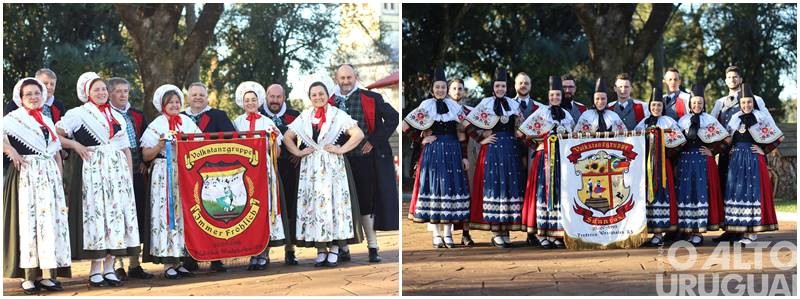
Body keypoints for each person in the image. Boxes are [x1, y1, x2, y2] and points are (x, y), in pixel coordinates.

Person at [55, 72, 139, 287]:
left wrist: (128, 177)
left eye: (103, 89)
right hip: (93, 171)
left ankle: (110, 267)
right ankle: (95, 270)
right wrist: (74, 144)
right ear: (87, 92)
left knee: (115, 217)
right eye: (96, 89)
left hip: (117, 173)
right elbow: (56, 135)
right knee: (96, 216)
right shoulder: (78, 114)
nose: (101, 93)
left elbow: (125, 149)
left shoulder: (118, 116)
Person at [284, 81, 365, 267]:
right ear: (310, 97)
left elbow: (358, 134)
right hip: (311, 168)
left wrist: (341, 149)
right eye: (314, 94)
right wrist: (298, 152)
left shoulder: (338, 115)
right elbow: (287, 137)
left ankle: (335, 247)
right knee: (314, 205)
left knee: (334, 203)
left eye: (321, 93)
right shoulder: (304, 116)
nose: (318, 97)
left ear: (328, 95)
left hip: (332, 167)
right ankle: (321, 248)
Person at [3, 78, 71, 294]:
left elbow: (56, 151)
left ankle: (46, 275)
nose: (33, 97)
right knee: (28, 223)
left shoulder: (46, 120)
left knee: (48, 224)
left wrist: (58, 178)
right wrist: (10, 151)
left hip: (49, 176)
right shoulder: (13, 119)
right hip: (26, 175)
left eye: (37, 93)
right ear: (20, 98)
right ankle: (27, 276)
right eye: (28, 94)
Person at [329, 64, 399, 262]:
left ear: (355, 77)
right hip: (339, 161)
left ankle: (373, 247)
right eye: (342, 78)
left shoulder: (371, 97)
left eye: (349, 77)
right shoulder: (330, 102)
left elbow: (393, 117)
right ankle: (343, 247)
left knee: (367, 202)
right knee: (341, 204)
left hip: (365, 159)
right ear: (336, 79)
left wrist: (374, 141)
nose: (346, 81)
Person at [404, 67, 470, 248]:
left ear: (447, 89)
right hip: (432, 152)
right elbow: (405, 126)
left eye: (443, 87)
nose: (440, 90)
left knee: (448, 189)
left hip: (452, 151)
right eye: (437, 87)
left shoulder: (455, 107)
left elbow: (465, 130)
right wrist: (421, 138)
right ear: (432, 89)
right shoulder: (425, 106)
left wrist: (465, 155)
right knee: (434, 189)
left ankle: (448, 234)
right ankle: (436, 234)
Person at [140, 84, 201, 279]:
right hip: (163, 172)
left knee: (183, 213)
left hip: (184, 172)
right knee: (165, 214)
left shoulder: (187, 121)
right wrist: (160, 144)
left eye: (177, 102)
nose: (174, 105)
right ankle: (168, 262)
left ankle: (180, 259)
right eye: (170, 102)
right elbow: (146, 155)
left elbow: (200, 142)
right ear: (162, 105)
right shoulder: (156, 125)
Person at [709, 66, 774, 243]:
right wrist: (713, 149)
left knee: (750, 190)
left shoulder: (756, 100)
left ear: (740, 78)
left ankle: (749, 229)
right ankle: (731, 228)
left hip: (751, 152)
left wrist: (763, 149)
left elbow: (769, 126)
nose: (733, 80)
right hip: (729, 153)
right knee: (730, 190)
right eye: (729, 77)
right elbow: (713, 126)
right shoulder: (720, 102)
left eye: (735, 76)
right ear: (726, 80)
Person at [463, 68, 524, 248]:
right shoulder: (485, 103)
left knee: (509, 187)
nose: (500, 89)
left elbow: (520, 128)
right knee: (495, 186)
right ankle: (495, 231)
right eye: (497, 86)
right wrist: (481, 139)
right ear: (493, 87)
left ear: (507, 87)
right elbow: (466, 124)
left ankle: (505, 231)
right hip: (492, 150)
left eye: (503, 86)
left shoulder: (514, 105)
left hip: (510, 151)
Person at [233, 81, 288, 269]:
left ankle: (264, 252)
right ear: (242, 101)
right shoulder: (237, 122)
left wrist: (272, 141)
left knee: (264, 207)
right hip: (244, 171)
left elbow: (278, 153)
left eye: (253, 99)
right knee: (248, 209)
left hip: (264, 170)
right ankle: (252, 252)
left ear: (259, 101)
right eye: (247, 100)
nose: (250, 103)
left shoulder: (268, 122)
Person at [180, 82, 232, 272]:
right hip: (188, 173)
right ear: (188, 97)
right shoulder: (180, 117)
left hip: (213, 172)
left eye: (201, 94)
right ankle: (190, 256)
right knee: (191, 213)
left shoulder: (218, 115)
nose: (197, 98)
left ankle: (216, 256)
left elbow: (230, 139)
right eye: (194, 95)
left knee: (213, 212)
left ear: (207, 96)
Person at [722, 83, 782, 245]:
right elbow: (728, 139)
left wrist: (764, 150)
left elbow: (778, 136)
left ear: (753, 103)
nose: (746, 105)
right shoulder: (735, 119)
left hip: (754, 159)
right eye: (743, 102)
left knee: (752, 192)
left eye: (749, 102)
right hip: (736, 161)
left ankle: (752, 233)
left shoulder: (761, 117)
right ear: (740, 104)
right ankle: (742, 231)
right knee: (739, 193)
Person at [519, 75, 574, 249]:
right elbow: (523, 134)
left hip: (561, 159)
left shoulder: (567, 115)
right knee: (543, 193)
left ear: (561, 96)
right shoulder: (541, 112)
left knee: (559, 193)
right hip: (543, 158)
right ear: (548, 96)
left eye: (558, 95)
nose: (555, 98)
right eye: (552, 95)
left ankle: (555, 233)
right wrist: (538, 144)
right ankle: (542, 233)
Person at [107, 77, 154, 280]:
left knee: (137, 216)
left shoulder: (136, 114)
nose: (123, 94)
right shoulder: (104, 114)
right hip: (115, 174)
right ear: (110, 93)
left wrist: (144, 162)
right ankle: (117, 264)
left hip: (136, 173)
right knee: (118, 216)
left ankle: (134, 264)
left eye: (125, 91)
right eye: (118, 91)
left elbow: (145, 140)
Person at [675, 83, 728, 246]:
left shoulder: (710, 120)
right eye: (694, 103)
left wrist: (712, 151)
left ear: (704, 103)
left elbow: (725, 140)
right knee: (686, 194)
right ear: (690, 104)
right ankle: (688, 230)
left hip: (702, 162)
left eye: (700, 102)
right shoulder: (682, 121)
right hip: (685, 162)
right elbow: (675, 142)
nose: (697, 105)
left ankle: (698, 231)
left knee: (700, 194)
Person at [634, 87, 686, 246]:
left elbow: (680, 143)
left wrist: (667, 152)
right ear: (649, 107)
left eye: (659, 105)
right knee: (647, 196)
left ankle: (661, 232)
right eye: (653, 105)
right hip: (646, 167)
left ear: (663, 107)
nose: (656, 108)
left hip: (664, 166)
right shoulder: (643, 123)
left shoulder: (669, 122)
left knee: (663, 193)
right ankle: (650, 230)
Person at [259, 83, 302, 265]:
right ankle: (264, 250)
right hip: (265, 168)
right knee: (266, 207)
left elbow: (308, 135)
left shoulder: (295, 115)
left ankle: (290, 249)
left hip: (288, 167)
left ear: (283, 97)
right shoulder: (258, 114)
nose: (275, 100)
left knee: (290, 207)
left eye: (278, 97)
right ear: (266, 97)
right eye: (271, 96)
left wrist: (299, 153)